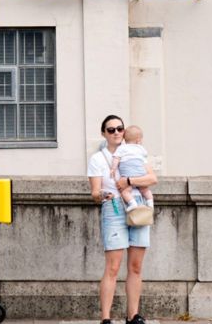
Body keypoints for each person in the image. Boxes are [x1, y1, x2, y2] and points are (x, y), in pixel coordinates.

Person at [88, 115, 158, 324]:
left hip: (138, 206)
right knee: (113, 267)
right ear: (104, 133)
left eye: (120, 128)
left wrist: (127, 180)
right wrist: (103, 195)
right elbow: (94, 192)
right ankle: (106, 318)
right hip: (114, 208)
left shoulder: (135, 152)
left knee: (136, 266)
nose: (117, 132)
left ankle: (133, 315)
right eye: (111, 130)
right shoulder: (98, 159)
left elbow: (152, 179)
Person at [114, 125, 154, 211]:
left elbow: (116, 158)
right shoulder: (141, 149)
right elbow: (144, 157)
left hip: (127, 174)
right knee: (145, 190)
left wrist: (113, 168)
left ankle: (132, 203)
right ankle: (150, 204)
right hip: (140, 174)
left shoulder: (121, 148)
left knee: (125, 191)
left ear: (124, 139)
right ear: (138, 140)